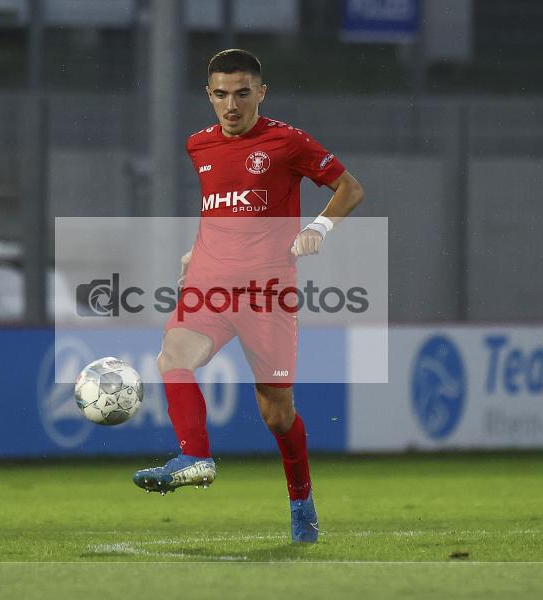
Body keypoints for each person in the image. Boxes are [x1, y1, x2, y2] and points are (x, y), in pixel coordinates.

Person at [132, 49, 365, 543]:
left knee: (277, 415)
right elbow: (220, 210)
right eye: (221, 94)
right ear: (209, 95)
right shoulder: (198, 145)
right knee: (172, 355)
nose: (231, 105)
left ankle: (302, 502)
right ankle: (195, 456)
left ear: (261, 92)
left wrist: (318, 227)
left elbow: (349, 188)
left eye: (242, 94)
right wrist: (194, 255)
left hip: (267, 294)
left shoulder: (286, 142)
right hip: (211, 285)